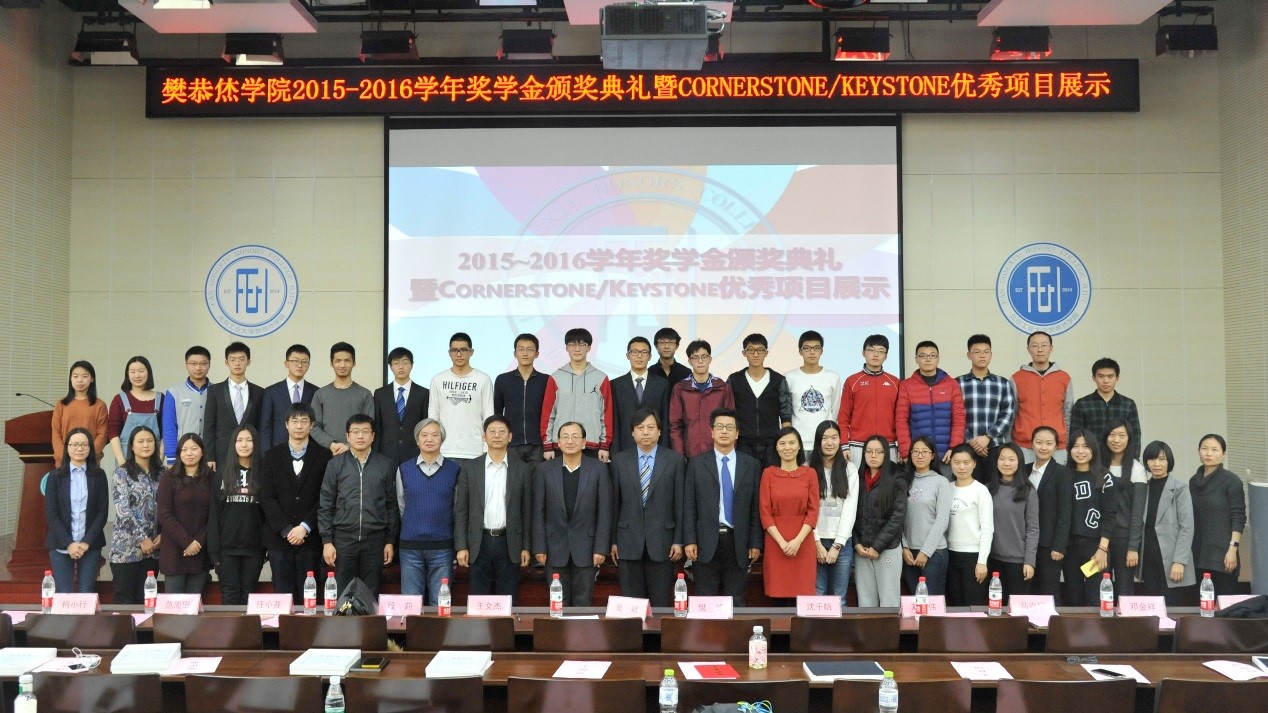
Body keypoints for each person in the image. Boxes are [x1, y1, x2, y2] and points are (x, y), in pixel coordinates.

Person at [683, 408, 762, 607]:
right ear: (711, 432)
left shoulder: (751, 465)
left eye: (729, 427)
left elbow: (755, 508)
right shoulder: (696, 464)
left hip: (738, 541)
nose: (724, 431)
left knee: (736, 601)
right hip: (705, 541)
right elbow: (689, 506)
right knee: (705, 601)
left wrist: (755, 542)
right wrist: (690, 540)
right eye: (719, 427)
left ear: (737, 433)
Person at [609, 409, 686, 607]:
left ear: (659, 432)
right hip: (627, 542)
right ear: (632, 432)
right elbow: (614, 505)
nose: (645, 432)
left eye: (651, 427)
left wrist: (678, 540)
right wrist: (613, 540)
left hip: (663, 542)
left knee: (660, 604)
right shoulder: (619, 461)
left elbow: (680, 505)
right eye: (640, 427)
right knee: (631, 606)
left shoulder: (675, 461)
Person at [257, 404, 332, 603]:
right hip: (279, 540)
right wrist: (287, 529)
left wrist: (305, 527)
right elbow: (266, 496)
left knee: (310, 596)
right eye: (294, 421)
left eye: (304, 421)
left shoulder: (324, 456)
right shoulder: (272, 455)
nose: (299, 426)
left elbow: (325, 497)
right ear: (286, 425)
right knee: (283, 597)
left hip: (311, 539)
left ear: (312, 425)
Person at [454, 416, 533, 601]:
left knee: (507, 601)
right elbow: (461, 511)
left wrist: (526, 547)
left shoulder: (523, 469)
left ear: (510, 437)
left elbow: (527, 512)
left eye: (502, 431)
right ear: (484, 436)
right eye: (492, 431)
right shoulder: (470, 468)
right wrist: (461, 546)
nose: (497, 435)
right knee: (479, 602)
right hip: (479, 542)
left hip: (509, 543)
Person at [319, 414, 399, 597]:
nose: (360, 436)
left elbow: (391, 505)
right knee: (343, 593)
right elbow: (326, 505)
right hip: (343, 539)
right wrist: (327, 541)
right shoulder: (335, 465)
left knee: (370, 594)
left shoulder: (385, 465)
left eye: (365, 431)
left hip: (375, 540)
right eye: (355, 432)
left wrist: (389, 541)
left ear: (373, 435)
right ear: (347, 436)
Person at [532, 422, 611, 606]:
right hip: (553, 548)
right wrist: (539, 547)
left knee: (583, 604)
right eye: (565, 437)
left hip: (587, 548)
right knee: (557, 603)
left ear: (584, 442)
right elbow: (538, 512)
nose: (570, 441)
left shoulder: (598, 469)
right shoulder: (545, 470)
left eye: (575, 437)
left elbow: (604, 511)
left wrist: (600, 548)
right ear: (558, 442)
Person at [396, 419, 459, 605]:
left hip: (443, 548)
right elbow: (401, 505)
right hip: (410, 548)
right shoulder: (403, 469)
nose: (429, 439)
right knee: (410, 605)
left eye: (434, 435)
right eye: (424, 435)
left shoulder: (455, 470)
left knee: (440, 605)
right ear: (417, 440)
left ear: (442, 439)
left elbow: (457, 508)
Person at [45, 428, 108, 593]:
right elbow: (52, 515)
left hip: (90, 543)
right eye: (74, 445)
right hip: (61, 543)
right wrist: (69, 543)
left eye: (84, 445)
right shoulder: (55, 476)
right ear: (67, 448)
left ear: (90, 448)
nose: (79, 448)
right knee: (64, 592)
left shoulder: (99, 475)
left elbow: (102, 513)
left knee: (86, 590)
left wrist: (86, 542)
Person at [760, 427, 819, 601]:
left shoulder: (810, 474)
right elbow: (764, 512)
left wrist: (797, 541)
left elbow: (813, 511)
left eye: (792, 443)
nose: (787, 447)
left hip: (803, 541)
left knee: (802, 598)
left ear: (799, 446)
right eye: (782, 443)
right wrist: (782, 543)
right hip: (775, 541)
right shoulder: (768, 474)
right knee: (776, 597)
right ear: (776, 447)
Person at [209, 424, 266, 605]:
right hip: (226, 548)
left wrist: (266, 546)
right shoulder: (222, 473)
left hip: (254, 547)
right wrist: (214, 550)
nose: (244, 444)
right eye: (239, 440)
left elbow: (267, 512)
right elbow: (214, 513)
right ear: (233, 444)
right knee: (229, 595)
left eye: (249, 440)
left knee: (250, 595)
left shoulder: (264, 472)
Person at [1062, 429, 1118, 606]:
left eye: (1085, 446)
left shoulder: (1104, 476)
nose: (1080, 451)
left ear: (1094, 449)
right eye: (1075, 446)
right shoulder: (1064, 475)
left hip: (1095, 547)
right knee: (1074, 599)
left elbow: (1110, 515)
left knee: (1095, 599)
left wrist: (1102, 549)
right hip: (1069, 548)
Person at [541, 328, 614, 462]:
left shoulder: (600, 378)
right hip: (561, 445)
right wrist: (547, 445)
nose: (577, 349)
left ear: (589, 348)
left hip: (592, 445)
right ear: (566, 348)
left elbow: (606, 414)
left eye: (582, 344)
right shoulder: (555, 378)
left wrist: (605, 445)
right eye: (572, 344)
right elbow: (548, 414)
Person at [108, 426, 162, 604]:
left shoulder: (162, 474)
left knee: (146, 600)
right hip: (126, 550)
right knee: (124, 601)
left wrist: (163, 535)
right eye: (140, 441)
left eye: (150, 441)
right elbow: (123, 511)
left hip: (153, 549)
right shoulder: (122, 473)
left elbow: (168, 508)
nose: (145, 445)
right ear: (131, 446)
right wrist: (142, 539)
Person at [852, 434, 907, 608]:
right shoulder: (856, 477)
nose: (873, 455)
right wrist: (856, 543)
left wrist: (877, 546)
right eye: (869, 451)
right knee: (865, 603)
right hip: (862, 550)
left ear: (886, 454)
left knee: (889, 603)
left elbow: (898, 516)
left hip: (887, 549)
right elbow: (849, 514)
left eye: (878, 452)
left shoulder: (897, 478)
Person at [1137, 441, 1194, 606]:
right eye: (1152, 459)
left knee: (1171, 607)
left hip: (1171, 559)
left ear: (1169, 461)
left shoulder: (1180, 488)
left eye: (1162, 459)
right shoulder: (1143, 488)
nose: (1156, 464)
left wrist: (1179, 561)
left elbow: (1187, 527)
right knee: (1151, 607)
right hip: (1148, 557)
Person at [809, 421, 858, 608]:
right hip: (815, 540)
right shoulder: (808, 468)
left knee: (840, 598)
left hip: (842, 543)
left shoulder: (849, 469)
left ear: (840, 440)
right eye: (825, 438)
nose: (829, 443)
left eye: (834, 438)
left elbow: (850, 510)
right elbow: (807, 509)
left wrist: (837, 545)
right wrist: (816, 543)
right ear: (818, 441)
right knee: (817, 595)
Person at [158, 433, 215, 595]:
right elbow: (164, 514)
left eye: (194, 449)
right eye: (184, 450)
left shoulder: (212, 478)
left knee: (194, 605)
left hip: (200, 550)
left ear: (202, 452)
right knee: (174, 606)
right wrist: (187, 542)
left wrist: (198, 542)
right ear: (179, 453)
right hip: (175, 551)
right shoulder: (168, 477)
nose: (189, 453)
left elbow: (215, 515)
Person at [1189, 434, 1246, 596]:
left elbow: (1238, 517)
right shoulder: (1193, 481)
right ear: (1198, 451)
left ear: (1223, 454)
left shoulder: (1231, 481)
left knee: (1224, 604)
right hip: (1198, 553)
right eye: (1204, 449)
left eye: (1214, 450)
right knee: (1202, 603)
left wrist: (1233, 549)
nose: (1209, 453)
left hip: (1224, 554)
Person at [956, 335, 1016, 482]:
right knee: (968, 489)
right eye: (977, 352)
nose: (982, 355)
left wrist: (988, 437)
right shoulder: (957, 383)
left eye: (986, 351)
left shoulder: (1002, 383)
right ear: (969, 355)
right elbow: (954, 416)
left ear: (991, 354)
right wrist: (971, 440)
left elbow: (1008, 413)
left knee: (995, 488)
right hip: (967, 449)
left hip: (995, 447)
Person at [727, 333, 792, 467]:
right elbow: (728, 412)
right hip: (743, 443)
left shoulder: (778, 380)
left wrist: (786, 442)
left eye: (760, 350)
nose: (755, 354)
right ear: (744, 353)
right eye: (751, 350)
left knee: (771, 479)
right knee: (746, 479)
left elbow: (786, 415)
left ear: (766, 353)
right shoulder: (734, 380)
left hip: (771, 444)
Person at [428, 332, 495, 461]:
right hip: (445, 450)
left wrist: (486, 447)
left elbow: (488, 414)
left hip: (475, 450)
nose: (458, 354)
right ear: (449, 353)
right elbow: (433, 415)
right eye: (454, 350)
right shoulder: (438, 379)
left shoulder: (483, 379)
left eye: (463, 350)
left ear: (471, 352)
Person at [896, 341, 966, 464]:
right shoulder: (906, 385)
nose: (928, 359)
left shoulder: (951, 384)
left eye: (932, 355)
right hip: (918, 456)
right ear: (916, 359)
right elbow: (901, 421)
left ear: (938, 358)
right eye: (923, 356)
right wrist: (906, 452)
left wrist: (954, 448)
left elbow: (959, 419)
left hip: (946, 456)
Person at [899, 436, 952, 596]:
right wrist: (904, 547)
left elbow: (942, 520)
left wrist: (925, 552)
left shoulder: (941, 482)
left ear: (933, 455)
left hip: (934, 553)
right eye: (915, 451)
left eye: (924, 452)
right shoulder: (903, 481)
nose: (919, 455)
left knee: (932, 603)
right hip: (908, 553)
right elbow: (896, 517)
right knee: (914, 603)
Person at [1026, 426, 1073, 603]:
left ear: (1056, 446)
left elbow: (1065, 512)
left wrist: (1059, 546)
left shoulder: (1063, 473)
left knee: (1049, 592)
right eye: (1039, 442)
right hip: (1026, 543)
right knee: (1028, 591)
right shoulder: (1024, 470)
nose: (1043, 447)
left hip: (1049, 544)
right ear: (1032, 444)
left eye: (1049, 443)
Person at [1010, 331, 1073, 464]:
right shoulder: (1017, 378)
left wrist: (1066, 443)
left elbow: (1068, 413)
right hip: (1024, 447)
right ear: (1028, 349)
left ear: (1051, 348)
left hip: (1057, 448)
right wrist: (1010, 446)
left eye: (1044, 345)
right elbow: (1012, 414)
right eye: (1035, 346)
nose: (1039, 350)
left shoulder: (1064, 378)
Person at [987, 443, 1039, 600]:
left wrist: (1030, 561)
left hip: (1018, 562)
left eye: (1011, 459)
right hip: (992, 560)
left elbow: (1033, 529)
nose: (1006, 463)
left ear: (1019, 462)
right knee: (995, 607)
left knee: (1016, 608)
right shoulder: (987, 490)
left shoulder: (1028, 491)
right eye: (1002, 459)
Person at [837, 335, 900, 464]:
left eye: (881, 351)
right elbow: (843, 417)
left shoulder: (895, 383)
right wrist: (844, 445)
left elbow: (901, 418)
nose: (876, 354)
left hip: (888, 446)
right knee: (857, 478)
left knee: (888, 478)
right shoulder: (852, 381)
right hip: (857, 445)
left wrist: (901, 447)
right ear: (863, 353)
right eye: (871, 350)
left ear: (886, 356)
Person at [1102, 419, 1147, 597]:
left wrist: (1133, 547)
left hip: (1124, 538)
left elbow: (1137, 513)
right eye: (1112, 435)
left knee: (1124, 589)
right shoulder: (1097, 466)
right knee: (1100, 587)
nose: (1116, 440)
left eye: (1122, 435)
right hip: (1100, 539)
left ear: (1129, 439)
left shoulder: (1137, 469)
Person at [202, 342, 263, 471]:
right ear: (226, 362)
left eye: (241, 359)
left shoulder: (259, 392)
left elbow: (261, 426)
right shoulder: (215, 391)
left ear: (249, 361)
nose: (237, 363)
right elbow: (209, 426)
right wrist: (209, 456)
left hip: (250, 454)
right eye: (233, 359)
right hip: (222, 454)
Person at [669, 340, 735, 458]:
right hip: (690, 453)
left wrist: (728, 452)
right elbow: (675, 425)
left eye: (704, 357)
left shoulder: (723, 388)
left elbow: (731, 423)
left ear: (710, 359)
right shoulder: (680, 388)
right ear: (689, 361)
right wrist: (680, 454)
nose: (700, 361)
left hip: (717, 453)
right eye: (695, 357)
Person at [945, 444, 993, 606]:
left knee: (973, 606)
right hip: (950, 554)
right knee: (955, 604)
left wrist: (982, 561)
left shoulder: (980, 490)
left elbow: (987, 528)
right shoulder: (947, 488)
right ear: (951, 463)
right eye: (957, 462)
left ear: (974, 463)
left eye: (966, 462)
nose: (961, 467)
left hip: (973, 556)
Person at [493, 333, 549, 466]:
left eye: (530, 349)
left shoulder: (546, 380)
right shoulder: (502, 380)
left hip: (538, 444)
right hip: (511, 443)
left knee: (537, 479)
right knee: (513, 479)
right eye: (521, 349)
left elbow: (550, 413)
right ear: (515, 353)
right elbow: (497, 413)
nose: (525, 353)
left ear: (537, 354)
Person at [310, 342, 374, 457]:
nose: (342, 365)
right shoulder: (320, 394)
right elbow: (314, 426)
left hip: (357, 455)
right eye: (338, 361)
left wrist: (348, 446)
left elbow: (369, 428)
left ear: (354, 363)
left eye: (347, 361)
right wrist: (331, 444)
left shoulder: (365, 394)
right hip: (326, 454)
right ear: (331, 363)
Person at [784, 330, 841, 458]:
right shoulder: (789, 378)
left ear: (822, 351)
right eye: (807, 348)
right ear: (800, 351)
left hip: (824, 443)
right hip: (797, 443)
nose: (812, 352)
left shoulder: (833, 377)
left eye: (816, 348)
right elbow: (786, 412)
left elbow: (835, 410)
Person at [611, 336, 671, 454]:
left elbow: (665, 419)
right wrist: (614, 451)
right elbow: (615, 420)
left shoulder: (662, 384)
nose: (639, 356)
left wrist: (665, 449)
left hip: (655, 447)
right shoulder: (615, 385)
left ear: (650, 356)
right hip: (625, 447)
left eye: (644, 352)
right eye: (635, 352)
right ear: (628, 356)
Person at [374, 346, 430, 467]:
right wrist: (375, 453)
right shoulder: (380, 394)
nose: (401, 367)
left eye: (405, 363)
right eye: (396, 363)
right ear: (390, 367)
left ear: (412, 365)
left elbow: (425, 424)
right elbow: (378, 426)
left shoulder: (423, 393)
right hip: (386, 453)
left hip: (414, 452)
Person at [258, 345, 317, 452]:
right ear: (286, 364)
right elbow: (265, 427)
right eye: (295, 361)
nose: (300, 365)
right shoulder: (271, 392)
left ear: (309, 365)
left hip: (308, 451)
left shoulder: (316, 392)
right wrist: (266, 454)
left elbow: (317, 425)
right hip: (277, 451)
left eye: (304, 362)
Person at [1070, 357, 1141, 446]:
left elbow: (1135, 435)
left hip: (1120, 453)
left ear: (1117, 378)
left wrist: (1134, 454)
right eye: (1101, 376)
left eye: (1110, 376)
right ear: (1094, 378)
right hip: (1092, 453)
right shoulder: (1082, 404)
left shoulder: (1128, 404)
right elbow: (1075, 436)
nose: (1106, 381)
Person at [161, 346, 212, 465]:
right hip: (183, 455)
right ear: (186, 365)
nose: (198, 368)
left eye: (203, 363)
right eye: (193, 364)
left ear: (209, 364)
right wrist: (171, 458)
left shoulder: (217, 391)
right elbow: (169, 427)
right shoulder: (174, 392)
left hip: (209, 456)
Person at [52, 360, 108, 466]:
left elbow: (102, 434)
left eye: (84, 376)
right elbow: (56, 433)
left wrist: (88, 455)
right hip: (64, 462)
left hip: (90, 463)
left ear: (92, 379)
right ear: (70, 378)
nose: (79, 380)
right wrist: (64, 457)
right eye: (75, 376)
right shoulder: (61, 404)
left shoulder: (99, 405)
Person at [109, 356, 161, 466]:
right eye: (132, 372)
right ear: (127, 374)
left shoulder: (161, 399)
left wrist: (159, 461)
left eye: (141, 371)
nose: (137, 375)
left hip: (153, 463)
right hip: (125, 460)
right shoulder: (119, 399)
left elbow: (165, 433)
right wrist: (121, 462)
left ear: (148, 372)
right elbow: (113, 432)